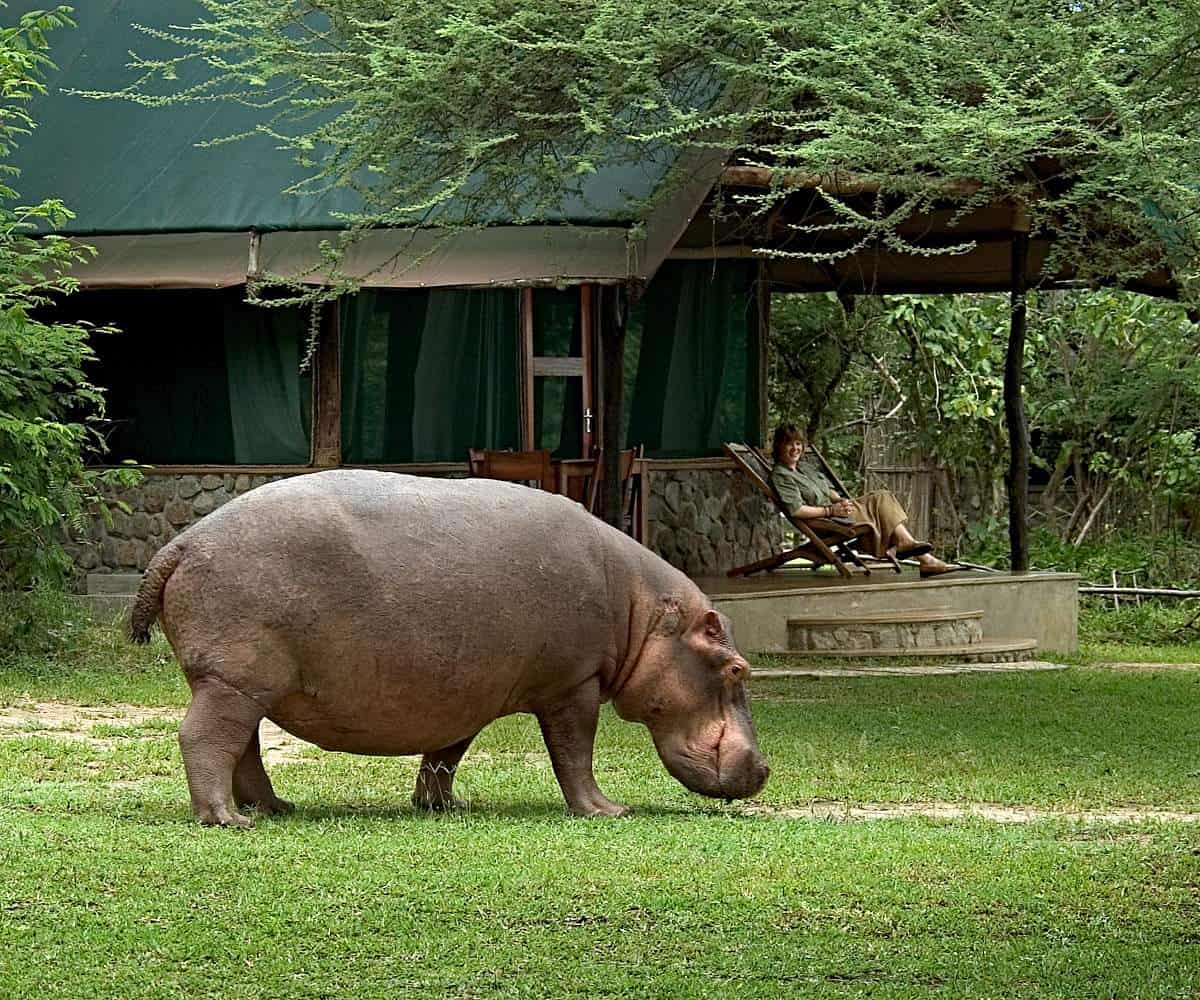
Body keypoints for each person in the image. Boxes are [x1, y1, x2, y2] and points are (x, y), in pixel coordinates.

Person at [769, 423, 957, 577]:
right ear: (779, 446)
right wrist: (831, 511)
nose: (795, 449)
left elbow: (828, 491)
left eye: (798, 444)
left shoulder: (806, 468)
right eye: (789, 444)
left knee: (882, 497)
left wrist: (840, 501)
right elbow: (797, 510)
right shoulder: (781, 475)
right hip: (824, 521)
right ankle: (923, 557)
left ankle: (914, 550)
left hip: (837, 511)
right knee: (881, 508)